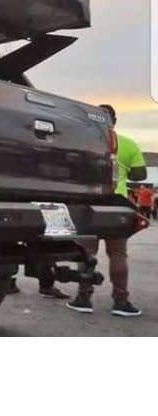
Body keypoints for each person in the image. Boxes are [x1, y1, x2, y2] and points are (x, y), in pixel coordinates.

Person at [67, 104, 146, 317]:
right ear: (115, 121)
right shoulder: (128, 144)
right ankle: (121, 301)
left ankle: (83, 298)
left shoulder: (81, 142)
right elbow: (140, 175)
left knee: (86, 252)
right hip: (116, 202)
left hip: (88, 201)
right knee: (118, 253)